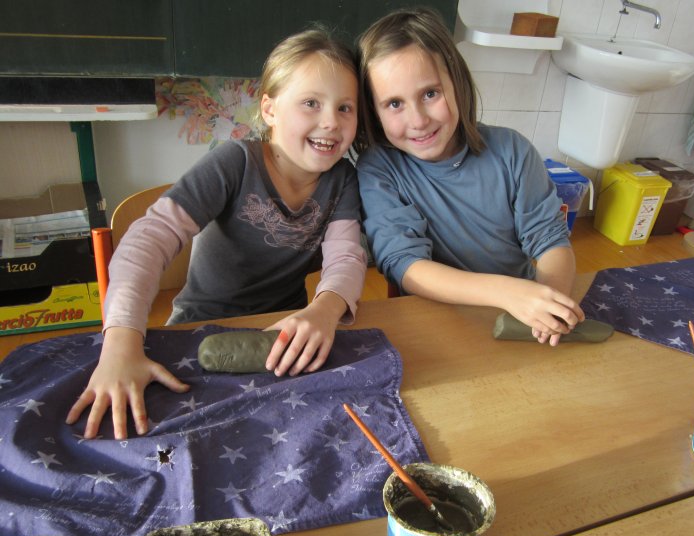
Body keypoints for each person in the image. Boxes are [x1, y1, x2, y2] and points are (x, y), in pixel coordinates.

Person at [67, 28, 367, 440]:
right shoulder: (234, 163)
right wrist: (120, 343)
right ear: (270, 109)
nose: (331, 122)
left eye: (345, 107)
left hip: (281, 333)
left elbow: (346, 256)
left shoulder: (343, 179)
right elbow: (149, 240)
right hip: (199, 329)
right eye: (311, 103)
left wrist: (325, 309)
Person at [356, 7, 584, 346]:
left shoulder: (513, 150)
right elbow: (405, 264)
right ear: (373, 111)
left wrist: (550, 303)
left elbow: (551, 242)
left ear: (457, 84)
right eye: (394, 104)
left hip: (519, 321)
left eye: (430, 94)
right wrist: (507, 292)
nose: (418, 120)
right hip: (435, 326)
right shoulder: (378, 169)